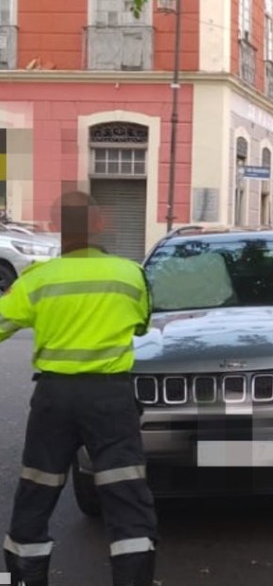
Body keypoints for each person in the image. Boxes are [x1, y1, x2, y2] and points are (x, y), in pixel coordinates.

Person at [0, 190, 157, 586]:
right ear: (100, 224)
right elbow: (141, 324)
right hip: (110, 397)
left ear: (58, 229)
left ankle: (26, 578)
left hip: (54, 399)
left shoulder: (37, 280)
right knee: (125, 492)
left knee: (38, 488)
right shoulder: (129, 275)